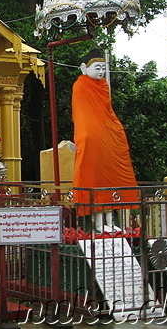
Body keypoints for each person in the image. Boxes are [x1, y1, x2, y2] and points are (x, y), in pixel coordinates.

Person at [71, 49, 138, 231]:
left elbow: (108, 114)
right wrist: (87, 135)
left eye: (103, 68)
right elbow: (82, 115)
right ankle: (98, 226)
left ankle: (111, 223)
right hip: (90, 138)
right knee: (93, 180)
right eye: (97, 67)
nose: (101, 71)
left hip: (106, 138)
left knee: (110, 180)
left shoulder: (103, 86)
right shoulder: (80, 86)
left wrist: (114, 132)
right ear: (84, 68)